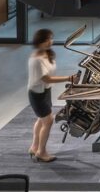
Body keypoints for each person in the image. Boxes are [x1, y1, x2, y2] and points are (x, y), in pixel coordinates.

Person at [28, 28, 73, 163]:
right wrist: (68, 78)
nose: (49, 42)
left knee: (41, 120)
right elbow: (46, 79)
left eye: (50, 38)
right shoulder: (36, 59)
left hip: (45, 92)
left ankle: (34, 147)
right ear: (39, 42)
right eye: (46, 40)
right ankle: (41, 152)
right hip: (37, 94)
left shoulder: (47, 54)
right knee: (48, 121)